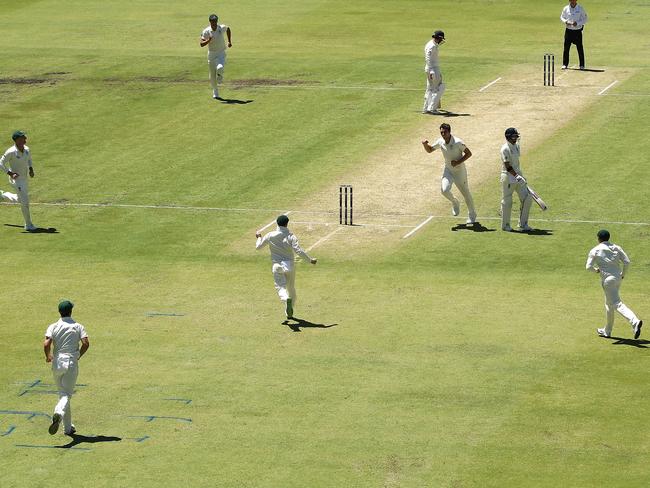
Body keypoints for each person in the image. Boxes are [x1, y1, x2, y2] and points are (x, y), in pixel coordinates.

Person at [256, 215, 317, 319]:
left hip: (277, 266)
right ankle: (289, 310)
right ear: (287, 224)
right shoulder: (291, 236)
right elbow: (299, 251)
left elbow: (258, 247)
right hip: (289, 266)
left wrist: (259, 237)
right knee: (291, 288)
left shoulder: (270, 235)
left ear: (277, 223)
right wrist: (310, 260)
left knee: (280, 287)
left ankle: (286, 301)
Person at [43, 300, 90, 435]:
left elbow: (46, 344)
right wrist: (78, 355)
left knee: (63, 394)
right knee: (66, 395)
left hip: (57, 363)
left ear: (59, 312)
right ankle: (58, 412)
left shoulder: (53, 326)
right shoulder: (77, 326)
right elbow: (86, 343)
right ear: (71, 311)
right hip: (70, 362)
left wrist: (48, 356)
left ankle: (68, 428)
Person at [586, 230, 643, 339]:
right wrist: (622, 274)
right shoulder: (616, 247)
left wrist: (596, 270)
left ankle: (634, 321)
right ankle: (607, 331)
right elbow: (627, 262)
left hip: (608, 281)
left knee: (616, 303)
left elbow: (588, 267)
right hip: (618, 278)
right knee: (609, 304)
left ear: (598, 239)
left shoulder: (595, 250)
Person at [421, 123, 477, 224]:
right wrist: (425, 145)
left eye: (444, 132)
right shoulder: (440, 141)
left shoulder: (458, 142)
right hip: (448, 170)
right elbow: (429, 150)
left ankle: (472, 215)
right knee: (444, 190)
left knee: (466, 193)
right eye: (441, 132)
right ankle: (455, 202)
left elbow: (469, 153)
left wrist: (457, 162)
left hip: (460, 172)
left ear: (449, 132)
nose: (443, 134)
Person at [0, 130, 36, 231]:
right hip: (16, 180)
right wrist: (10, 174)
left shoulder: (27, 149)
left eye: (24, 137)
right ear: (17, 140)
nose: (25, 139)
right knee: (25, 202)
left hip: (24, 179)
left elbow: (29, 159)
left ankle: (2, 196)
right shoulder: (11, 152)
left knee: (21, 199)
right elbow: (1, 163)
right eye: (22, 138)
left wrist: (31, 169)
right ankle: (28, 225)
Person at [500, 127, 533, 232]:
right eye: (514, 136)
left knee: (527, 198)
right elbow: (508, 166)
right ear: (508, 137)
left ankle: (523, 224)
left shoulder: (516, 145)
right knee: (507, 201)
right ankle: (505, 225)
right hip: (508, 177)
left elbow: (516, 164)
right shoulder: (505, 149)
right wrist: (517, 176)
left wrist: (521, 176)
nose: (516, 138)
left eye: (516, 136)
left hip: (518, 176)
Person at [200, 14, 232, 100]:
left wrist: (229, 41)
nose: (214, 24)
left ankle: (220, 76)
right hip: (211, 54)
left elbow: (228, 29)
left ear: (217, 21)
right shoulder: (206, 31)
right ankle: (215, 91)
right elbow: (201, 44)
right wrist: (209, 40)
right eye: (212, 22)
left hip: (221, 52)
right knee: (212, 75)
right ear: (210, 22)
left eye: (215, 22)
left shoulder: (221, 28)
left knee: (220, 67)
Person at [422, 30, 446, 114]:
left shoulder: (432, 44)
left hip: (430, 68)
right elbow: (427, 58)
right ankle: (432, 108)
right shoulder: (431, 46)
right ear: (438, 38)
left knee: (430, 88)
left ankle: (425, 108)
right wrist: (432, 71)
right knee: (439, 87)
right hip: (433, 69)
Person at [560, 0, 588, 69]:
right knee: (566, 48)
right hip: (568, 31)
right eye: (571, 0)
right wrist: (566, 21)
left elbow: (585, 19)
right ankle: (565, 64)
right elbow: (562, 17)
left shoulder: (580, 8)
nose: (572, 1)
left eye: (574, 0)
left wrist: (577, 23)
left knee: (580, 48)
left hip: (577, 31)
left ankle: (582, 65)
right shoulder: (566, 8)